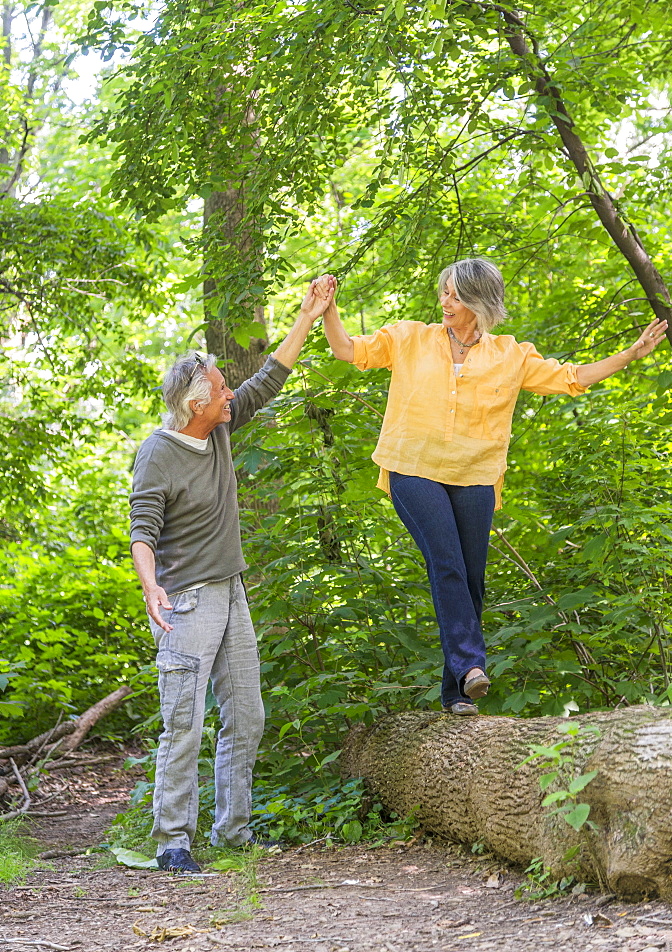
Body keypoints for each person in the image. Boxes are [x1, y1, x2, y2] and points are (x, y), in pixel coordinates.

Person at [315, 260, 668, 715]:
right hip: (413, 466)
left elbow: (571, 378)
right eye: (443, 292)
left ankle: (456, 694)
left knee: (471, 579)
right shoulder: (410, 338)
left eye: (455, 295)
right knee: (446, 562)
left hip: (476, 476)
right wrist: (328, 310)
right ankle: (472, 667)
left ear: (480, 303)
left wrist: (629, 354)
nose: (445, 301)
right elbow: (346, 349)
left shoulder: (511, 355)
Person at [129, 280, 334, 873]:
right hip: (187, 604)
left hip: (231, 592)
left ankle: (233, 832)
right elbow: (142, 532)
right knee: (184, 722)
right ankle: (173, 841)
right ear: (196, 406)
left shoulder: (218, 425)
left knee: (247, 716)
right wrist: (152, 586)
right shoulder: (158, 453)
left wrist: (307, 315)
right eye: (220, 391)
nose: (229, 397)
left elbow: (267, 380)